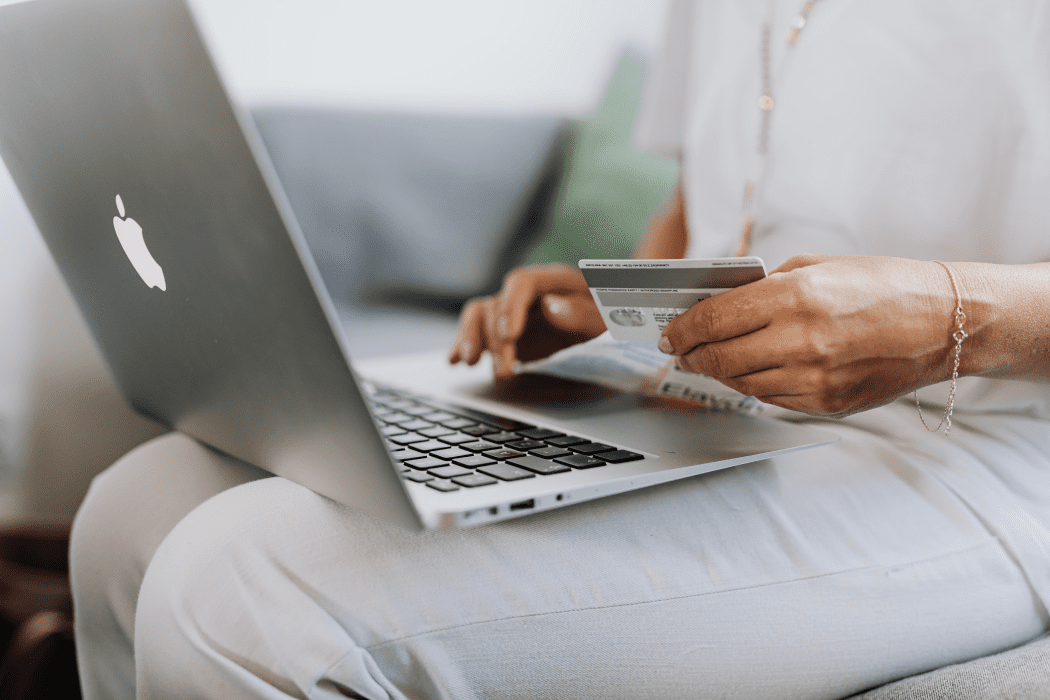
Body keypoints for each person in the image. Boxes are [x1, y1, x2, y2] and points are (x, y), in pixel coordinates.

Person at [70, 1, 1050, 698]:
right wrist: (620, 304)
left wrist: (948, 313)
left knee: (241, 595)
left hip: (969, 448)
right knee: (135, 507)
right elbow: (698, 204)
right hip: (716, 405)